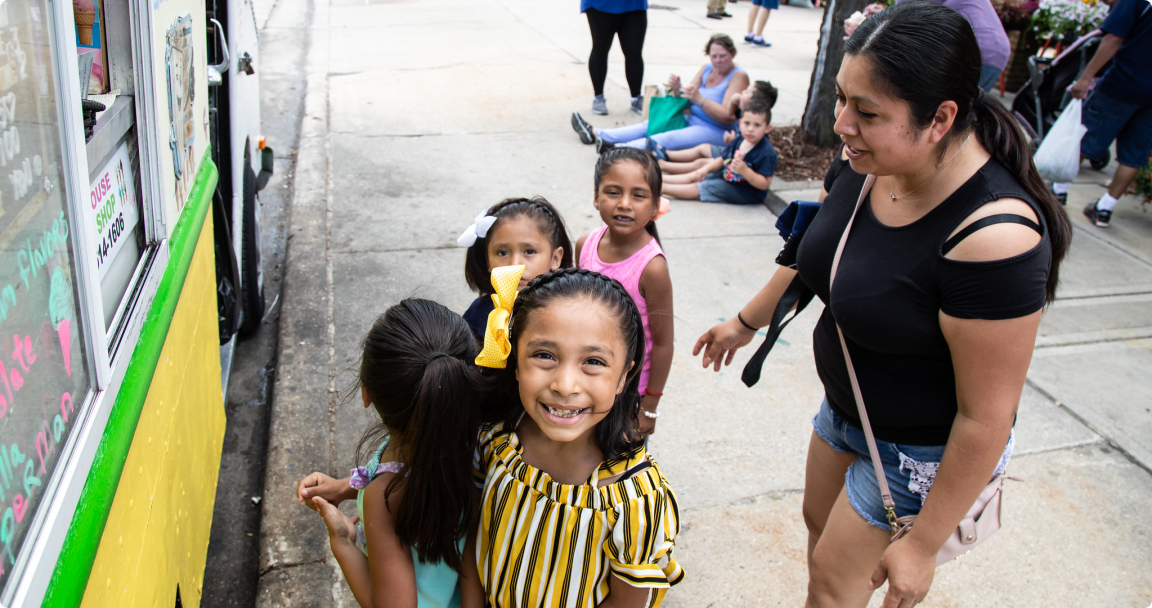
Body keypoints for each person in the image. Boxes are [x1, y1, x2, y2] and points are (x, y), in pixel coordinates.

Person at [693, 2, 1071, 606]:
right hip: (848, 407)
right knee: (820, 544)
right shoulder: (866, 160)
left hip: (915, 450)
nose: (843, 124)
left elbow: (987, 418)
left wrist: (922, 545)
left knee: (832, 586)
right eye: (843, 99)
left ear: (941, 118)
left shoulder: (995, 237)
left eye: (867, 112)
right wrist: (744, 322)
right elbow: (814, 254)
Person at [473, 267, 683, 608]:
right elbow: (473, 539)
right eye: (544, 355)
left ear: (623, 377)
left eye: (593, 361)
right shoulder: (495, 441)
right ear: (514, 359)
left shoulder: (634, 501)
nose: (565, 385)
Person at [295, 299, 489, 608]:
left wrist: (343, 541)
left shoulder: (384, 497)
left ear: (366, 392)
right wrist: (344, 487)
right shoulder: (477, 446)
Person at [575, 148, 673, 437]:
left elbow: (664, 343)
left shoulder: (651, 268)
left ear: (656, 206)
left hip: (628, 393)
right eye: (613, 192)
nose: (625, 204)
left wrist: (650, 407)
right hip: (585, 379)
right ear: (596, 197)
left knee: (619, 468)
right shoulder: (585, 245)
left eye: (639, 195)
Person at [572, 34, 749, 152]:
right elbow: (686, 98)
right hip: (689, 118)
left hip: (715, 130)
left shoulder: (738, 76)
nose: (718, 61)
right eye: (714, 56)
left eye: (723, 56)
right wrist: (678, 89)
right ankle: (597, 133)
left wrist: (700, 99)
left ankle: (617, 149)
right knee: (650, 125)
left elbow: (728, 116)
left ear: (732, 54)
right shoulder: (707, 68)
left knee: (666, 137)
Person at [1061, 0, 1151, 228]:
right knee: (1134, 154)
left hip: (1122, 84)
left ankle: (1058, 191)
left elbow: (1113, 38)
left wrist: (1085, 77)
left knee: (1086, 137)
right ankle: (1104, 210)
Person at [458, 197, 574, 343]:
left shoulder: (569, 315)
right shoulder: (478, 312)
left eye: (529, 251)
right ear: (487, 261)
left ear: (555, 258)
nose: (514, 264)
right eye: (502, 253)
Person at [845, 0, 1009, 92]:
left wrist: (866, 31)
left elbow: (906, 19)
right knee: (966, 113)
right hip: (994, 48)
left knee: (949, 111)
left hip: (976, 48)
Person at [661, 100, 777, 205]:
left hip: (744, 191)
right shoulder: (740, 139)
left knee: (706, 187)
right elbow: (723, 159)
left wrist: (745, 171)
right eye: (747, 123)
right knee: (701, 175)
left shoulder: (766, 153)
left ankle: (663, 188)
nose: (751, 129)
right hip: (727, 176)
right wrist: (705, 170)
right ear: (740, 123)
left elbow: (764, 184)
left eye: (757, 125)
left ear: (767, 128)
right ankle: (660, 180)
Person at [649, 79, 778, 162]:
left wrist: (732, 141)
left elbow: (749, 147)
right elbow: (730, 112)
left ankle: (664, 161)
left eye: (746, 91)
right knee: (701, 149)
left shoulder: (755, 124)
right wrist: (734, 102)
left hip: (736, 160)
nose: (742, 92)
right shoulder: (745, 112)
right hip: (733, 153)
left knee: (702, 163)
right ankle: (666, 155)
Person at [583, 0, 649, 115]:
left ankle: (636, 97)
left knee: (634, 52)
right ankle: (598, 97)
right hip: (600, 5)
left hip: (634, 5)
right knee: (600, 49)